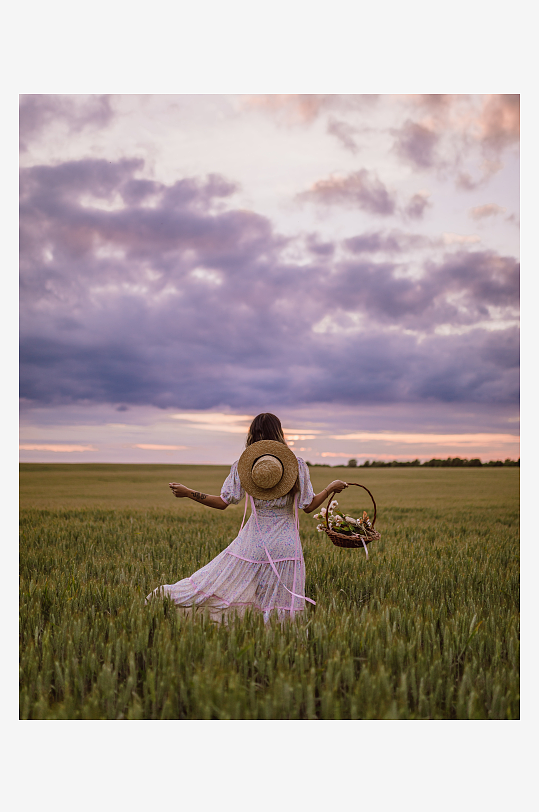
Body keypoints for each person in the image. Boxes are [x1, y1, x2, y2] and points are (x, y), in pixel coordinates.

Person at [146, 413, 348, 624]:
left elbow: (222, 502)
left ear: (252, 434)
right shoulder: (295, 465)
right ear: (279, 432)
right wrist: (330, 488)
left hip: (253, 543)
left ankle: (168, 598)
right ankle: (278, 642)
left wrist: (189, 493)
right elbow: (308, 506)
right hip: (285, 545)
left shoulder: (245, 466)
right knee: (281, 602)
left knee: (218, 584)